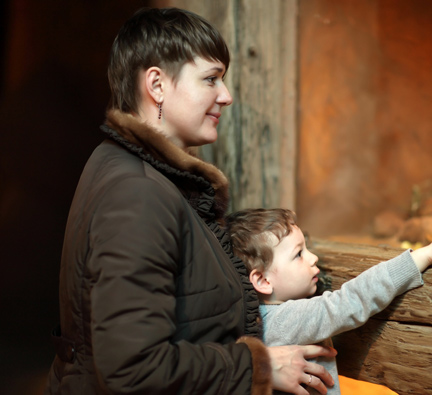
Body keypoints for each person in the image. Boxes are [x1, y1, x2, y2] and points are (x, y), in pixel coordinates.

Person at [44, 7, 336, 395]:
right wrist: (258, 366)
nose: (227, 96)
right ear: (157, 85)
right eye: (211, 79)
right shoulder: (137, 192)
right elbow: (134, 369)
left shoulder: (145, 175)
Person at [225, 208, 432, 394]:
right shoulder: (282, 321)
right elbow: (351, 300)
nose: (313, 258)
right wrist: (424, 256)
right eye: (298, 254)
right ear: (263, 281)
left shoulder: (261, 316)